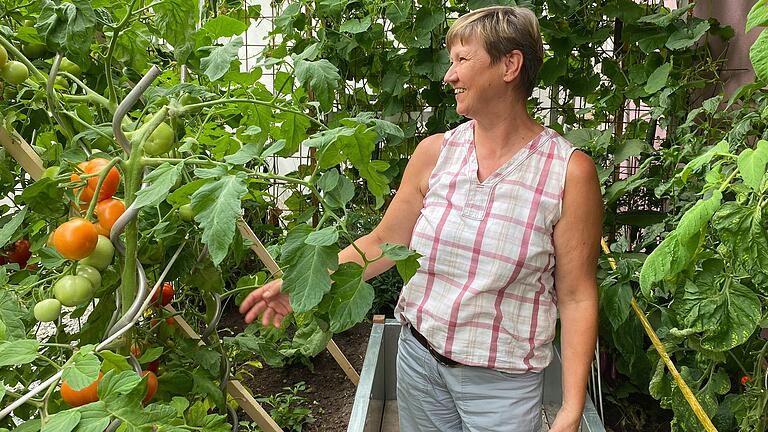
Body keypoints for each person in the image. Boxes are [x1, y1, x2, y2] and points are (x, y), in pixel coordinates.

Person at [240, 5, 602, 432]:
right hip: (419, 364)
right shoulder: (436, 153)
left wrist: (571, 408)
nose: (449, 76)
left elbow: (577, 296)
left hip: (501, 386)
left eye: (462, 60)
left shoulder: (567, 172)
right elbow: (383, 244)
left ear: (510, 65)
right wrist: (301, 286)